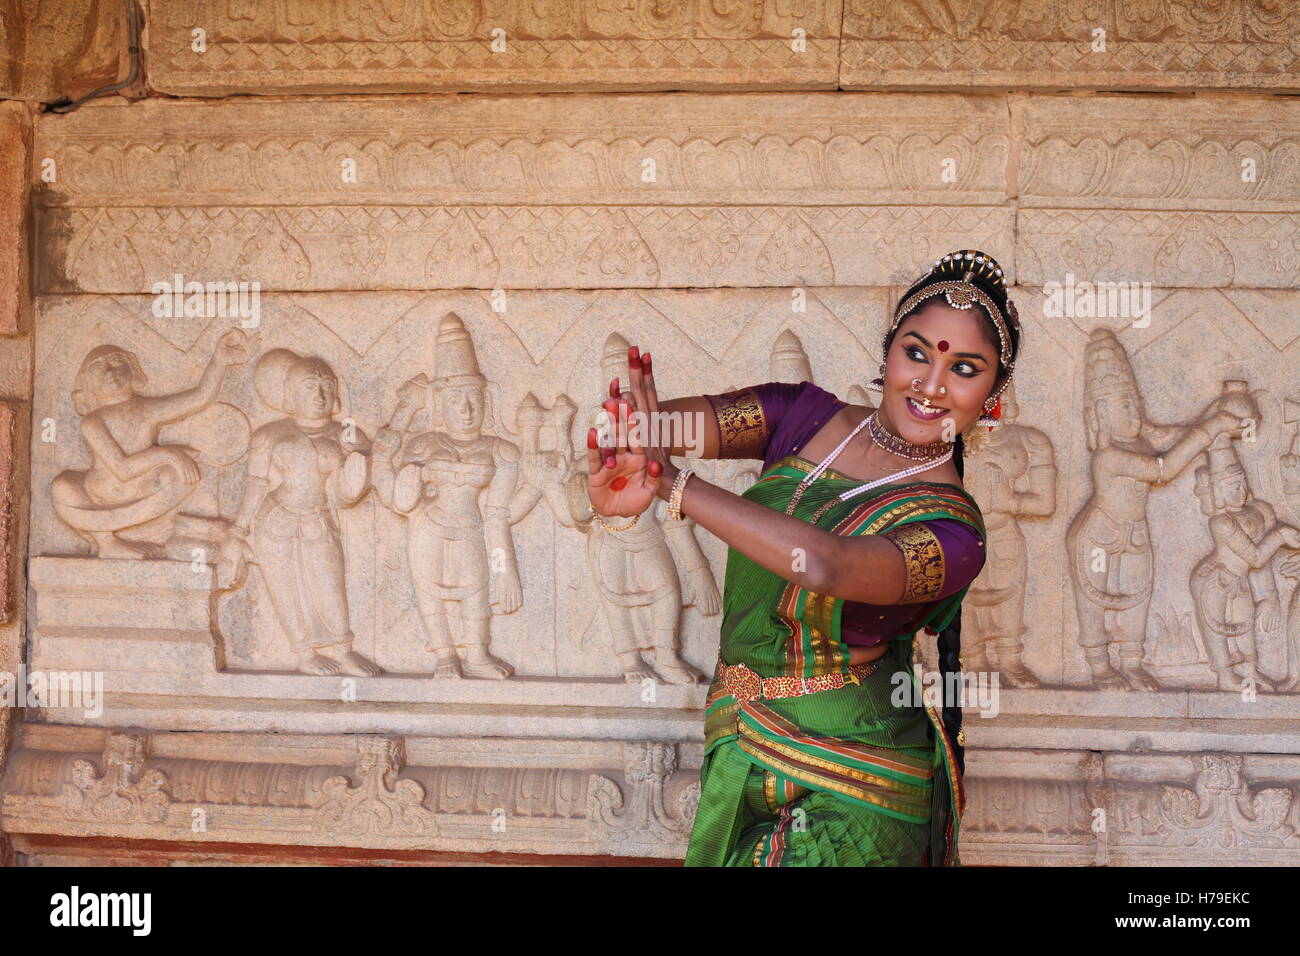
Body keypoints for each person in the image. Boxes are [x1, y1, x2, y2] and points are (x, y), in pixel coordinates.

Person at [585, 250, 1022, 866]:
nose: (930, 384)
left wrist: (673, 486)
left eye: (965, 369)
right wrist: (628, 443)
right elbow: (667, 432)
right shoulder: (801, 416)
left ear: (994, 396)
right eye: (917, 352)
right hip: (743, 738)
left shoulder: (953, 534)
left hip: (858, 783)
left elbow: (829, 565)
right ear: (888, 350)